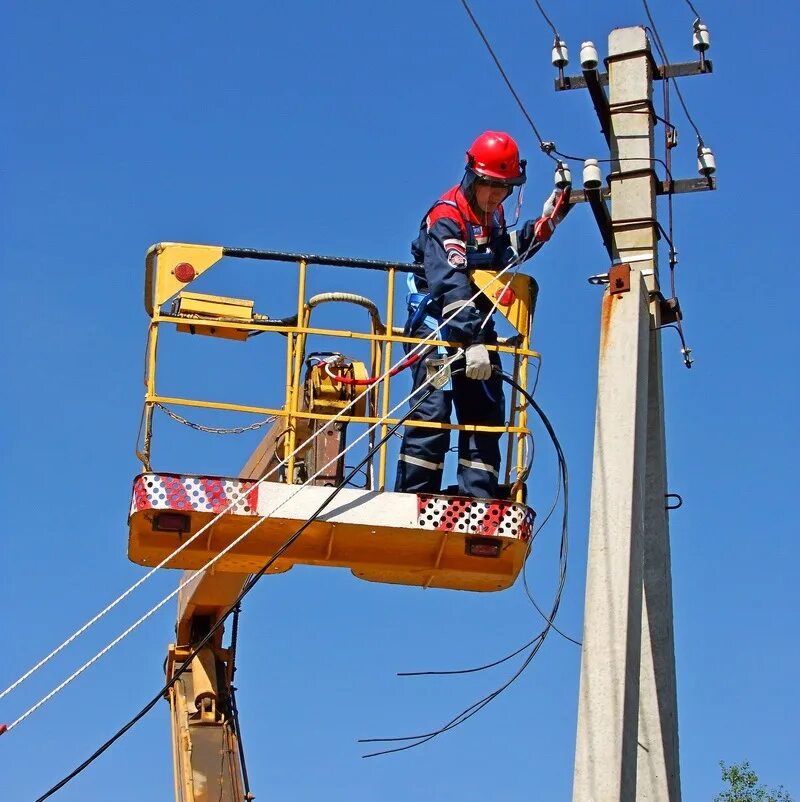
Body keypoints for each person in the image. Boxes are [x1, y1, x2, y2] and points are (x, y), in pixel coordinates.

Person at [394, 131, 570, 499]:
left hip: (476, 325)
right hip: (437, 327)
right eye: (490, 185)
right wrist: (471, 341)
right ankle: (414, 496)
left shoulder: (493, 215)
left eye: (504, 188)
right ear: (473, 177)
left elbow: (505, 256)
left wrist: (548, 221)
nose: (496, 195)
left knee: (485, 412)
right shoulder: (446, 217)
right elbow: (450, 283)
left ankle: (479, 496)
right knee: (432, 413)